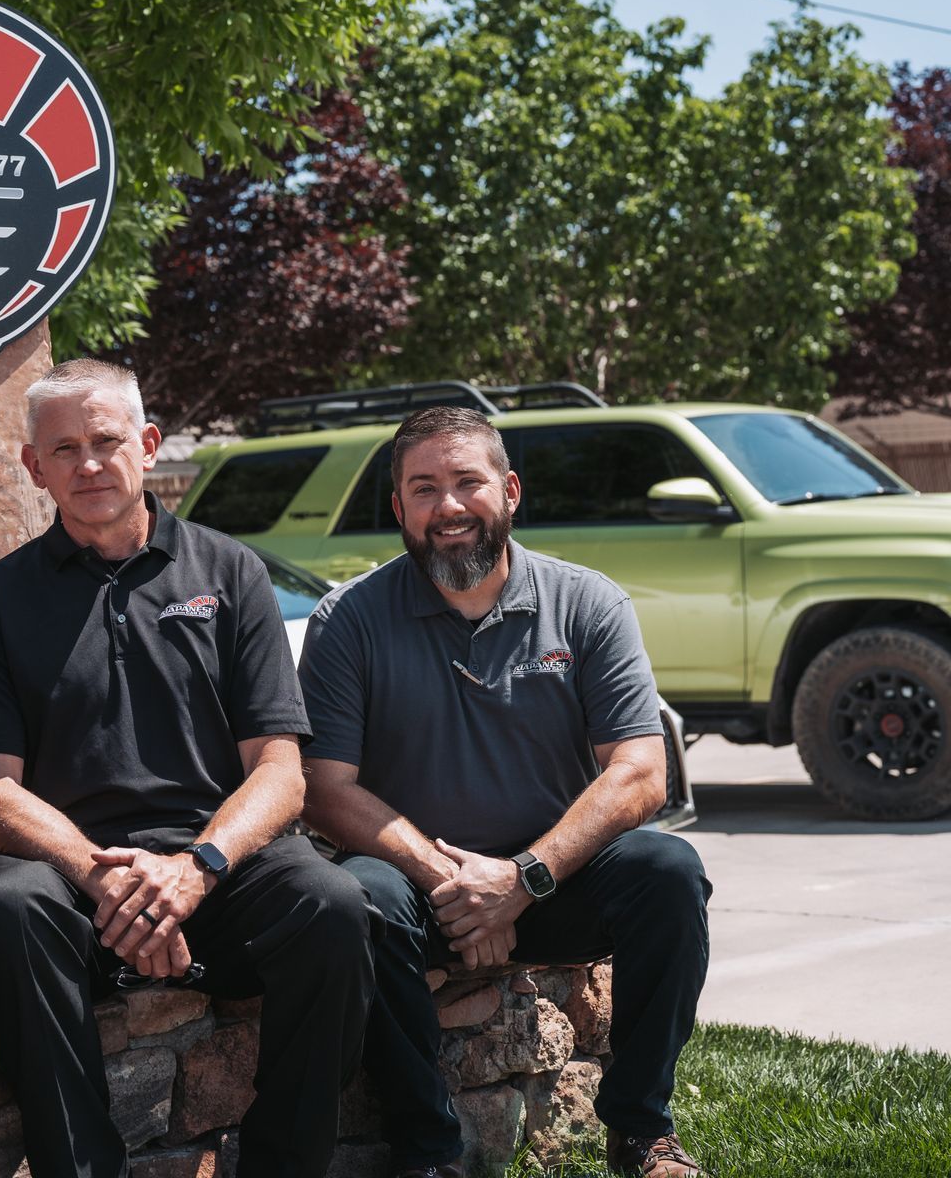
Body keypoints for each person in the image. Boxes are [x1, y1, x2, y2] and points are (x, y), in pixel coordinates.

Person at [0, 358, 376, 1178]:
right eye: (64, 449)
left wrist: (196, 870)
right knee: (8, 905)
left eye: (106, 441)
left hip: (215, 868)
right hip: (73, 884)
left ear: (147, 446)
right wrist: (102, 877)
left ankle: (284, 1163)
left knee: (334, 903)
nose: (88, 464)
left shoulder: (231, 572)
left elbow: (282, 771)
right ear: (33, 468)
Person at [297, 405, 711, 1178]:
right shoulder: (347, 621)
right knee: (357, 897)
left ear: (510, 491)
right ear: (398, 509)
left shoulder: (587, 603)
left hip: (551, 885)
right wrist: (456, 882)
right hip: (420, 894)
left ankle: (640, 1128)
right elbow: (323, 789)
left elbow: (640, 772)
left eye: (467, 482)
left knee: (668, 871)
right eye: (423, 489)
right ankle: (429, 1152)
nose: (448, 506)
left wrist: (521, 879)